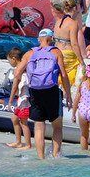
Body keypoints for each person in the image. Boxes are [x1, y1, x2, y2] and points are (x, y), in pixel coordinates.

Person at [18, 31, 63, 162]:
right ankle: (55, 156)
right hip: (51, 90)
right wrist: (69, 96)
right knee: (57, 126)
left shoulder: (29, 53)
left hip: (35, 91)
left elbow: (17, 73)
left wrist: (15, 94)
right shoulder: (56, 52)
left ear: (38, 39)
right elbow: (64, 75)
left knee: (39, 126)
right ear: (52, 39)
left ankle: (41, 157)